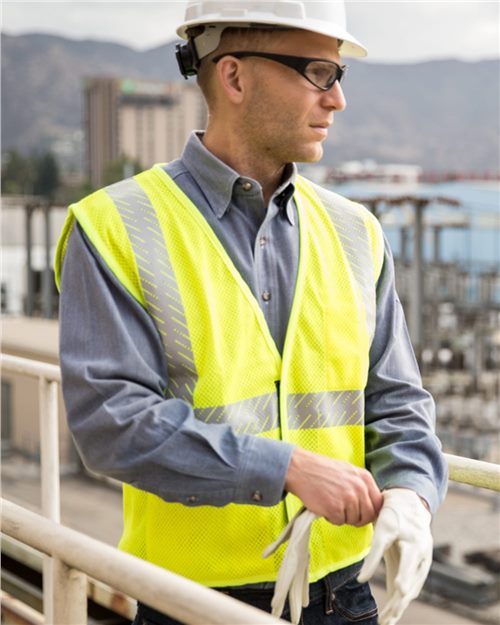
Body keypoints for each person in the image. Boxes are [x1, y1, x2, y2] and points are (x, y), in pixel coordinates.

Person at [55, 2, 448, 624]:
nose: (338, 99)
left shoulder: (357, 232)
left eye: (340, 75)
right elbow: (112, 422)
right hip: (190, 602)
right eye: (318, 73)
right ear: (235, 76)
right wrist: (285, 469)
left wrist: (411, 494)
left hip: (344, 595)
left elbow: (397, 401)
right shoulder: (114, 227)